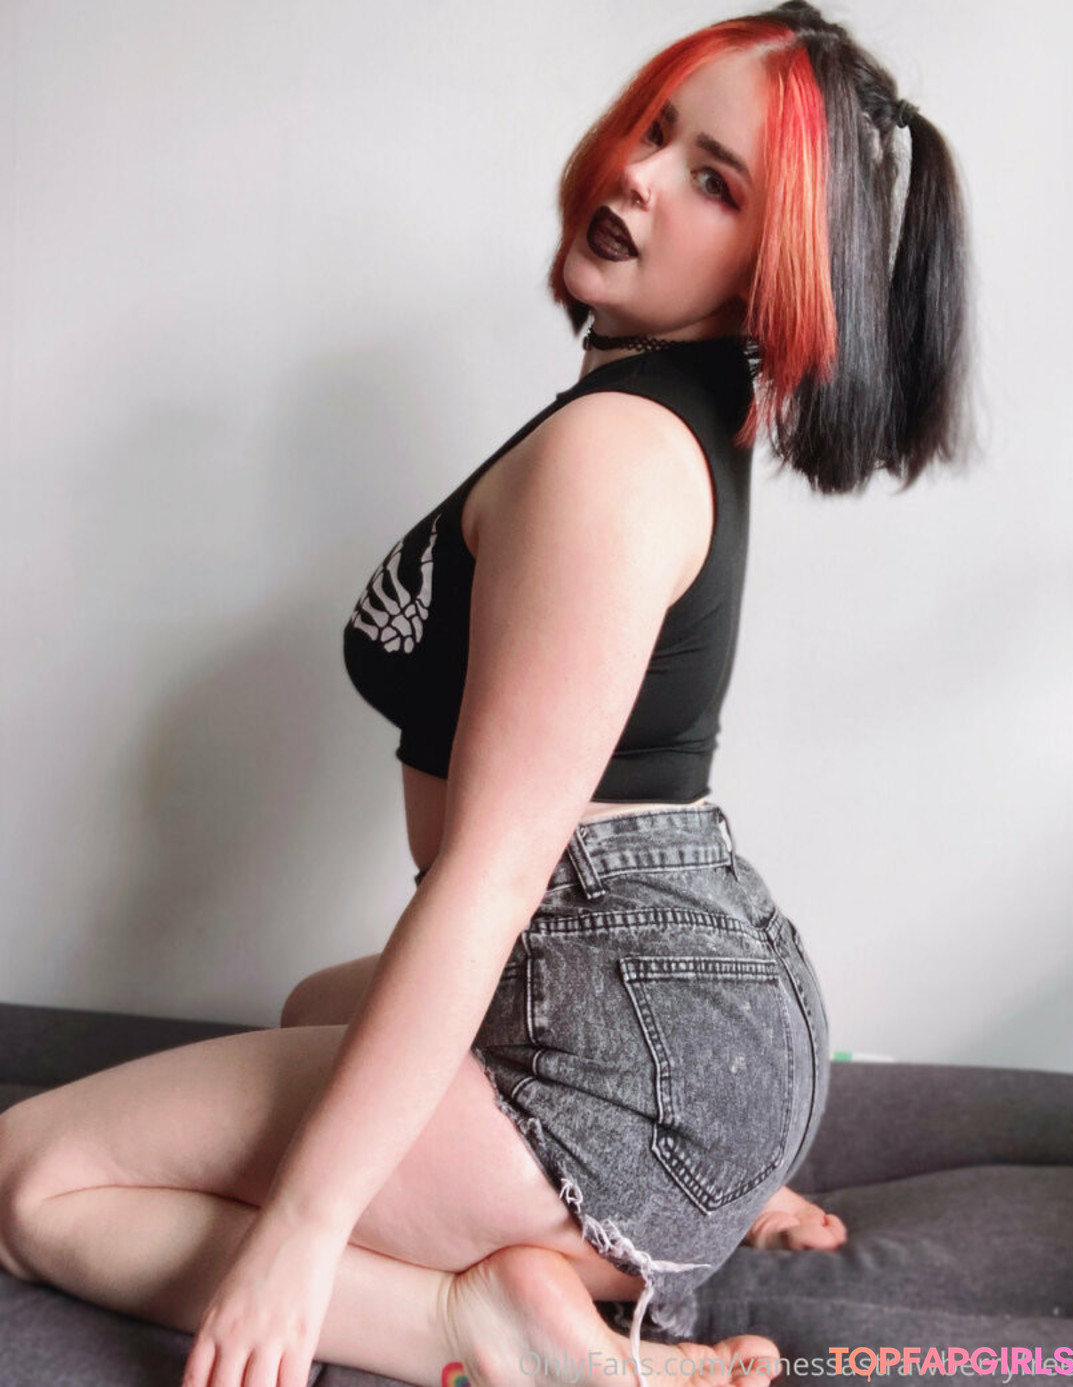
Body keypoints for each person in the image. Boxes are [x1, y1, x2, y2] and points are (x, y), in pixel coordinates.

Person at [0, 4, 970, 1387]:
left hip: (630, 1044)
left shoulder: (613, 461)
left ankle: (486, 1317)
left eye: (714, 182)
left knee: (33, 1183)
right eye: (656, 129)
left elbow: (490, 880)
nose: (638, 175)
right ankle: (683, 1180)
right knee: (311, 1003)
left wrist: (301, 1234)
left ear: (774, 273)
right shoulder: (656, 410)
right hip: (672, 1006)